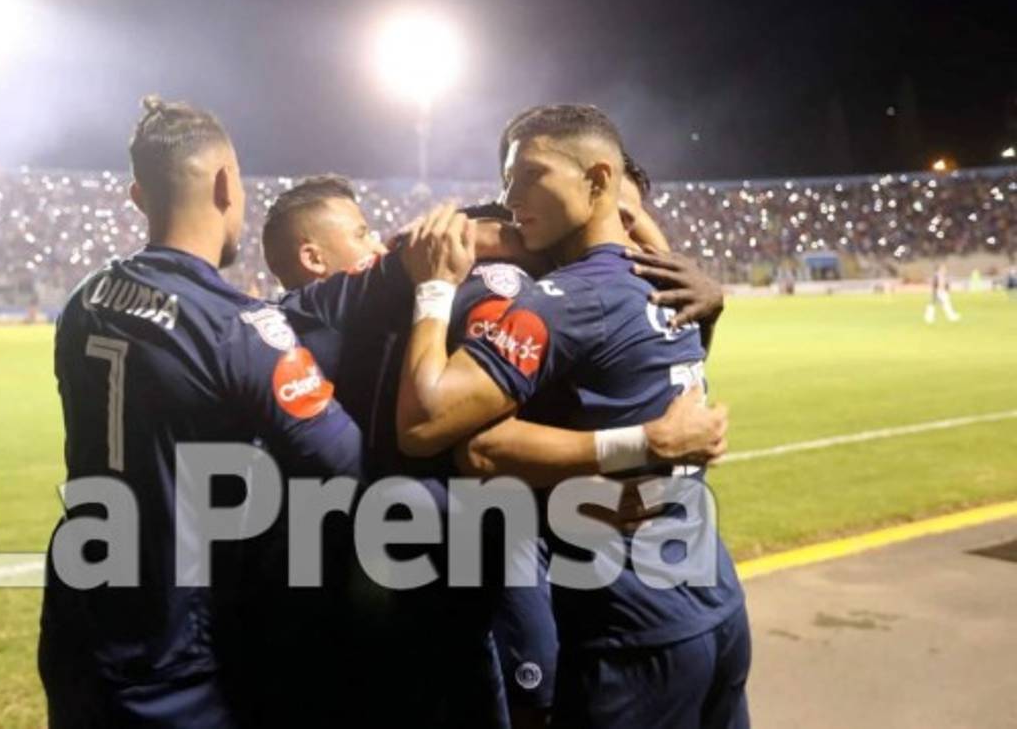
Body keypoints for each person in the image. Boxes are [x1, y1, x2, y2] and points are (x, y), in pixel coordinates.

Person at [263, 174, 730, 728]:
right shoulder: (309, 310)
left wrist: (695, 288)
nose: (376, 242)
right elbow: (464, 442)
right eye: (361, 232)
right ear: (313, 257)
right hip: (389, 591)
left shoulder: (386, 309)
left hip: (465, 576)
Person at [395, 104, 750, 729]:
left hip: (633, 632)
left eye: (532, 176)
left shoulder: (568, 301)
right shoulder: (664, 282)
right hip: (716, 601)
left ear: (598, 180)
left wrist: (433, 288)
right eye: (507, 180)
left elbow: (429, 424)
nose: (511, 197)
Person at [38, 96, 367, 728]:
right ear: (224, 183)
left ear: (140, 195)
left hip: (78, 623)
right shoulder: (236, 326)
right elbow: (347, 464)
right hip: (168, 642)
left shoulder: (85, 300)